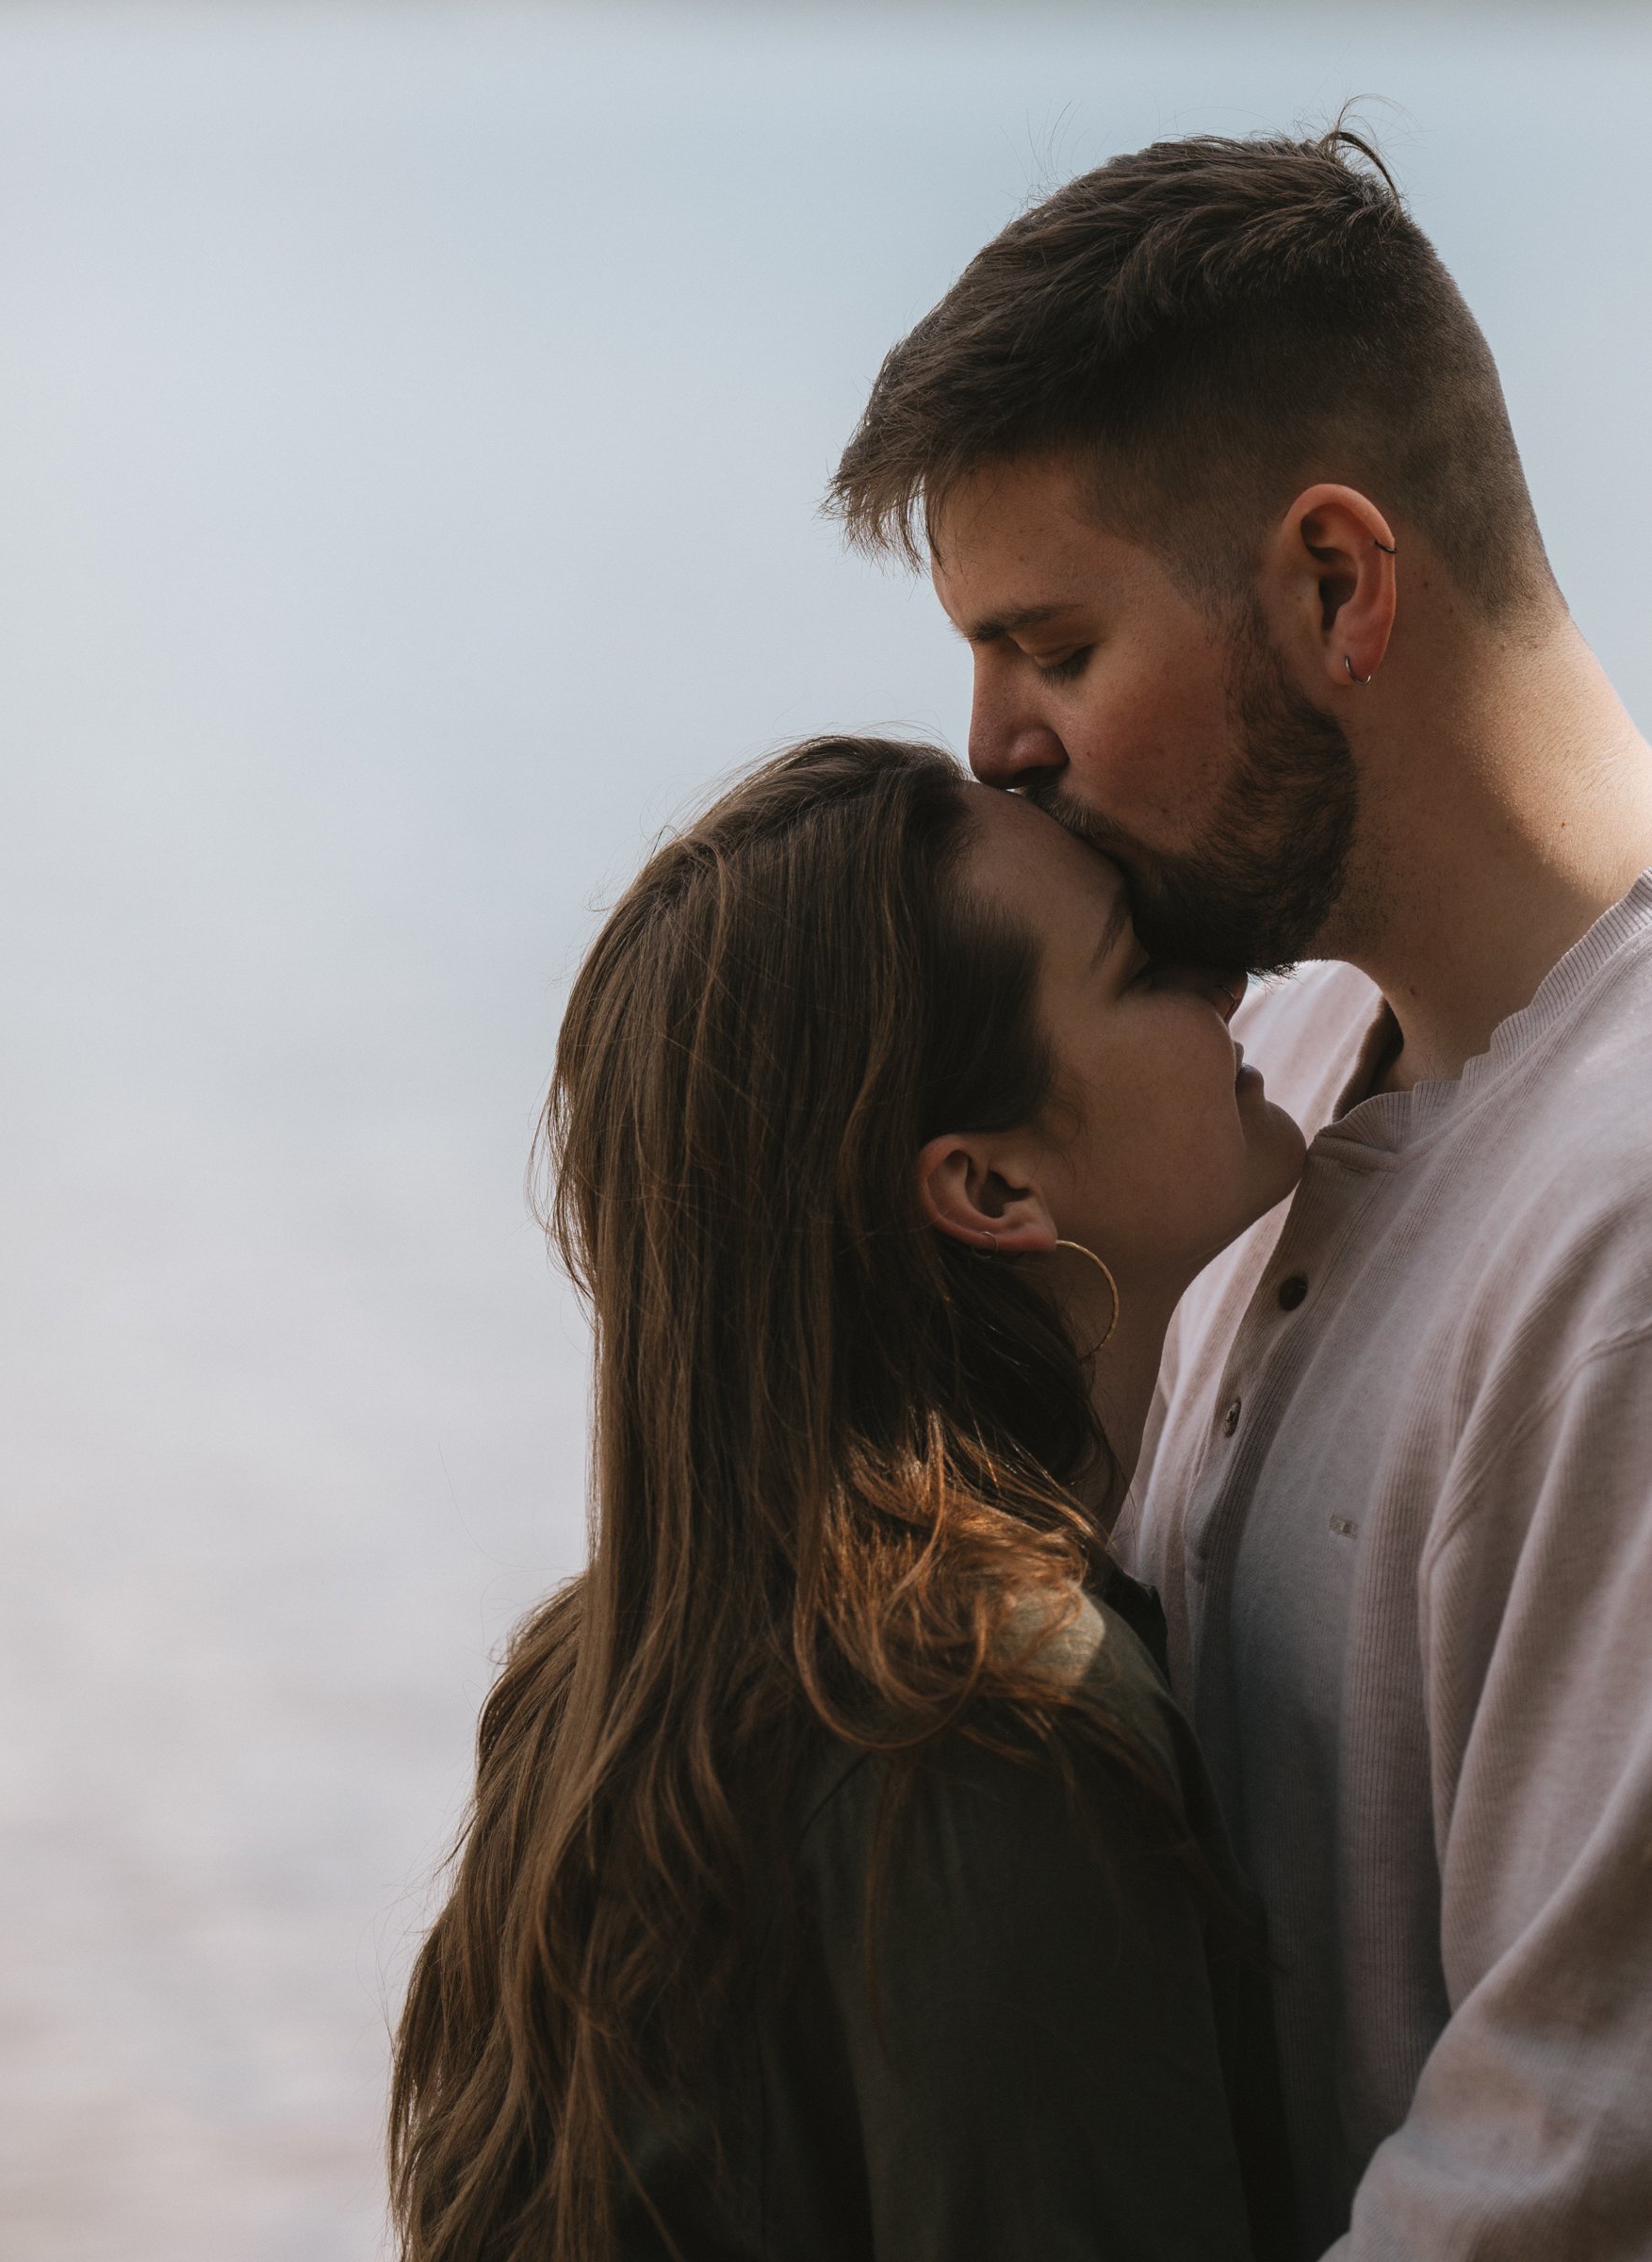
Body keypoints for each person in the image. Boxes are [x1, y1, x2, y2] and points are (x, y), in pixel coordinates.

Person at [829, 125, 1652, 2259]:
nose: (992, 748)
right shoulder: (1261, 1075)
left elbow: (1560, 2178)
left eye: (1054, 648)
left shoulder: (1626, 1224)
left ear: (1337, 585)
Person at [389, 736, 1302, 2260]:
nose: (1229, 984)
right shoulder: (986, 1721)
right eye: (1145, 964)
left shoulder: (587, 1691)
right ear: (994, 1190)